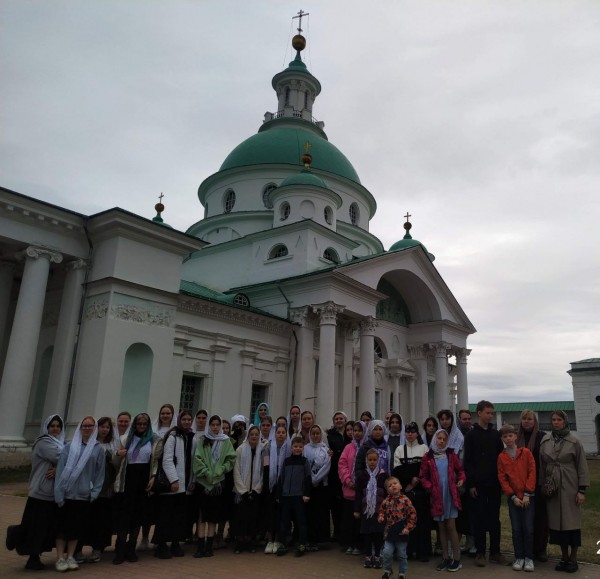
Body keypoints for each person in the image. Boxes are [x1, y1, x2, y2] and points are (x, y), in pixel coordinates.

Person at [8, 415, 65, 571]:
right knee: (36, 527)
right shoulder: (44, 442)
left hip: (51, 493)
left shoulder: (58, 442)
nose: (55, 428)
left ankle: (35, 555)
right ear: (46, 428)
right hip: (40, 492)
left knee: (44, 526)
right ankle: (29, 553)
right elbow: (60, 457)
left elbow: (63, 459)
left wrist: (59, 469)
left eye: (58, 426)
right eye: (52, 426)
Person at [539, 410, 590, 574]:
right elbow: (542, 465)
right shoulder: (546, 441)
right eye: (553, 419)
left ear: (565, 421)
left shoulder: (574, 441)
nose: (555, 422)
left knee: (571, 523)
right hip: (552, 485)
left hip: (570, 485)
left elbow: (582, 466)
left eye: (559, 419)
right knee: (557, 524)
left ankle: (573, 558)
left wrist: (581, 490)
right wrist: (543, 485)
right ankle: (564, 557)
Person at [54, 416, 105, 572]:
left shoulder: (97, 448)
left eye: (91, 426)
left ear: (94, 429)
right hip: (66, 493)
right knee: (62, 528)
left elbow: (99, 473)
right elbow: (60, 471)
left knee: (76, 528)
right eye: (85, 426)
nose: (87, 429)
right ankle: (60, 558)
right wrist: (58, 493)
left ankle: (70, 556)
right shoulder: (69, 447)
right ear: (80, 428)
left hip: (83, 495)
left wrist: (94, 492)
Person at [112, 413, 161, 565]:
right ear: (135, 425)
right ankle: (120, 548)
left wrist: (153, 477)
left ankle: (131, 547)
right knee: (124, 515)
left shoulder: (154, 440)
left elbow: (155, 462)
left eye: (144, 425)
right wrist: (118, 454)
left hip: (143, 480)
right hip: (128, 480)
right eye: (139, 424)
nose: (141, 427)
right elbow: (115, 461)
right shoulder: (126, 439)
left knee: (137, 516)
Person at [463, 400, 507, 567]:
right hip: (478, 485)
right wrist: (471, 484)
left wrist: (502, 482)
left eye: (491, 413)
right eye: (487, 412)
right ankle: (480, 552)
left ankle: (495, 551)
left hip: (494, 483)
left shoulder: (495, 435)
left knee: (494, 519)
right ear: (479, 413)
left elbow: (500, 460)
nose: (490, 415)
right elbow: (468, 461)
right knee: (479, 518)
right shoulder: (471, 435)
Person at [419, 428, 465, 572]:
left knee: (451, 526)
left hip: (450, 495)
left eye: (444, 439)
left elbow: (460, 470)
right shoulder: (428, 456)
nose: (442, 441)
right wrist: (430, 487)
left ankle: (456, 558)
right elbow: (423, 476)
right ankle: (445, 557)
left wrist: (462, 480)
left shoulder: (451, 454)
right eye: (439, 438)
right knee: (441, 528)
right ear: (435, 439)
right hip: (437, 496)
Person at [74, 416, 118, 563]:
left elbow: (115, 468)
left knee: (101, 519)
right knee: (85, 519)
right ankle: (78, 549)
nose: (104, 430)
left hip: (105, 488)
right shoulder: (88, 443)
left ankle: (98, 548)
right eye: (102, 426)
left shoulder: (113, 444)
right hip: (87, 487)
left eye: (107, 427)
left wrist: (111, 485)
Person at [193, 415, 236, 558]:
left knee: (212, 516)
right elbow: (197, 459)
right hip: (203, 483)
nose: (216, 427)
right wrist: (205, 472)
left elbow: (231, 459)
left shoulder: (226, 442)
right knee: (202, 516)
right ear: (209, 426)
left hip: (218, 483)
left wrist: (221, 469)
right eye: (213, 424)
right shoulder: (203, 440)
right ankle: (200, 546)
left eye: (218, 425)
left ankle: (209, 546)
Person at [154, 410, 195, 559]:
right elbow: (167, 459)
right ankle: (161, 545)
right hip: (174, 483)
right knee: (166, 515)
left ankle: (176, 543)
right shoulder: (173, 436)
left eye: (189, 419)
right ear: (179, 420)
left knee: (179, 516)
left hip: (183, 484)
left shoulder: (187, 436)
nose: (186, 422)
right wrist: (174, 480)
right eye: (184, 419)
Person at [497, 424, 536, 572]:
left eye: (510, 435)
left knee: (528, 528)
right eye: (505, 436)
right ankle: (519, 557)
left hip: (527, 498)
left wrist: (527, 493)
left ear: (515, 436)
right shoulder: (502, 457)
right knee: (516, 529)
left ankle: (529, 558)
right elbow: (502, 478)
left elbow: (532, 472)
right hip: (513, 499)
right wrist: (512, 496)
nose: (508, 439)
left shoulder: (525, 453)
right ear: (502, 439)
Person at [392, 421, 430, 562]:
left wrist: (416, 480)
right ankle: (406, 551)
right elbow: (397, 469)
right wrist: (410, 480)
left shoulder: (424, 448)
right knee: (406, 522)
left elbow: (426, 468)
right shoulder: (399, 449)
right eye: (407, 431)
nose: (410, 433)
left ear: (417, 433)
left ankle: (422, 551)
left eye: (413, 431)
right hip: (406, 492)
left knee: (421, 522)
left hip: (420, 492)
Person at [517, 409, 548, 561]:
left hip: (538, 483)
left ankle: (540, 549)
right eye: (524, 419)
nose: (527, 421)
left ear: (534, 421)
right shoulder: (517, 438)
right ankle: (525, 549)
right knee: (524, 520)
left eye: (530, 419)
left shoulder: (541, 437)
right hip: (521, 485)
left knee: (540, 518)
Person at [276, 436, 312, 557]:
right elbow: (282, 477)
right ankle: (282, 543)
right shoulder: (286, 461)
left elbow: (308, 479)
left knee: (300, 521)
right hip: (286, 496)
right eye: (295, 446)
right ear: (291, 447)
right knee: (284, 521)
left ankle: (302, 543)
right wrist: (279, 493)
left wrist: (306, 494)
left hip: (299, 496)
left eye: (300, 447)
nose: (297, 449)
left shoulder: (304, 461)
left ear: (303, 448)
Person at [378, 476, 417, 579]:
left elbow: (412, 515)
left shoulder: (406, 500)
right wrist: (381, 517)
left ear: (400, 486)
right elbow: (381, 511)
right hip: (389, 532)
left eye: (395, 483)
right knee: (386, 552)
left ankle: (402, 573)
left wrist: (408, 528)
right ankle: (387, 570)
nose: (393, 486)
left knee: (401, 554)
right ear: (387, 490)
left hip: (402, 532)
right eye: (389, 486)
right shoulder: (386, 501)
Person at [232, 425, 263, 553]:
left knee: (252, 518)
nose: (254, 436)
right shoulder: (240, 450)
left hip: (255, 491)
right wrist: (243, 491)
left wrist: (256, 490)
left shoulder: (262, 451)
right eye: (252, 434)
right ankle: (239, 543)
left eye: (256, 434)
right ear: (248, 435)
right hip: (242, 492)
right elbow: (236, 471)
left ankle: (250, 542)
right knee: (241, 518)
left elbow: (262, 472)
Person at [354, 448, 386, 569]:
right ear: (366, 460)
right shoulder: (362, 475)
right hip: (366, 510)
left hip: (379, 511)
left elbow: (387, 494)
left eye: (374, 460)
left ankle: (377, 555)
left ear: (378, 460)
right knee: (367, 534)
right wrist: (356, 509)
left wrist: (386, 509)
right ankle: (368, 555)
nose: (372, 462)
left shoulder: (383, 475)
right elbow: (357, 494)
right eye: (370, 460)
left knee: (378, 534)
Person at [338, 420, 365, 555]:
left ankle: (359, 544)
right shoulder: (348, 447)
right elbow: (342, 464)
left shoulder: (367, 447)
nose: (357, 433)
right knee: (348, 519)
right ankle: (349, 543)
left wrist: (360, 483)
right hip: (349, 489)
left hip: (362, 492)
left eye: (360, 430)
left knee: (359, 520)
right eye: (355, 430)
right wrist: (348, 480)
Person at [263, 424, 291, 553]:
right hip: (271, 485)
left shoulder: (289, 449)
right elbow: (266, 466)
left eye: (283, 432)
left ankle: (279, 540)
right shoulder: (269, 448)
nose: (280, 434)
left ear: (286, 434)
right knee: (269, 513)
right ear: (274, 434)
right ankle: (270, 540)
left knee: (281, 514)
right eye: (278, 432)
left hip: (284, 486)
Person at [303, 424, 331, 549]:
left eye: (317, 433)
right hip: (309, 486)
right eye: (313, 433)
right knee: (310, 513)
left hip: (321, 486)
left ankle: (320, 539)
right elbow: (305, 465)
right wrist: (311, 479)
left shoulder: (325, 449)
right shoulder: (305, 448)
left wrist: (316, 478)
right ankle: (310, 538)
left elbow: (327, 466)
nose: (315, 436)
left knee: (321, 512)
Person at [326, 411, 347, 542]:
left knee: (345, 503)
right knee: (335, 503)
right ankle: (337, 531)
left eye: (341, 418)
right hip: (334, 472)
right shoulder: (330, 435)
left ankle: (344, 532)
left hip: (346, 473)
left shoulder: (348, 434)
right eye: (336, 419)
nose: (339, 421)